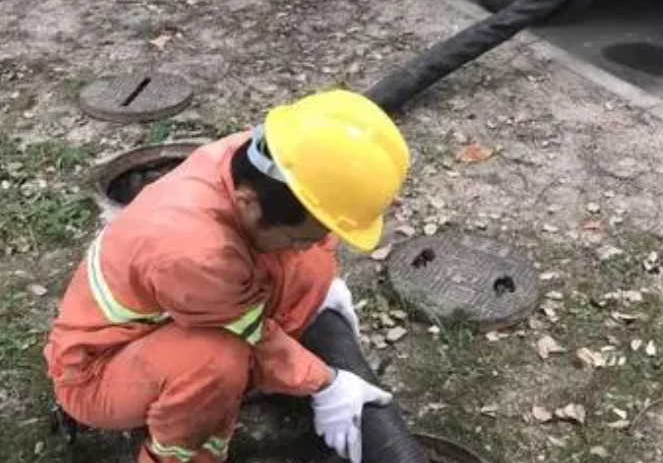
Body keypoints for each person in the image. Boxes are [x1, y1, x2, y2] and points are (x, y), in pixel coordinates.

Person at [44, 89, 411, 463]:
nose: (304, 246)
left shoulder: (264, 161)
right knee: (216, 361)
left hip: (182, 306)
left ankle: (249, 375)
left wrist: (322, 283)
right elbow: (255, 337)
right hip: (96, 371)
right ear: (248, 204)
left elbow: (309, 237)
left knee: (312, 266)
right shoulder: (195, 251)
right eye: (298, 237)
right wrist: (325, 382)